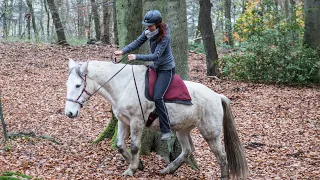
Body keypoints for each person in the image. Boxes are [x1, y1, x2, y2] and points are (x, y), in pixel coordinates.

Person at [114, 10, 175, 141]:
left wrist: (136, 56)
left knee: (158, 97)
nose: (147, 27)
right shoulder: (148, 32)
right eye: (146, 25)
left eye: (150, 25)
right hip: (154, 67)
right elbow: (137, 42)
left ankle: (166, 130)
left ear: (157, 24)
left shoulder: (165, 36)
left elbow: (156, 56)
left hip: (166, 69)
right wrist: (122, 51)